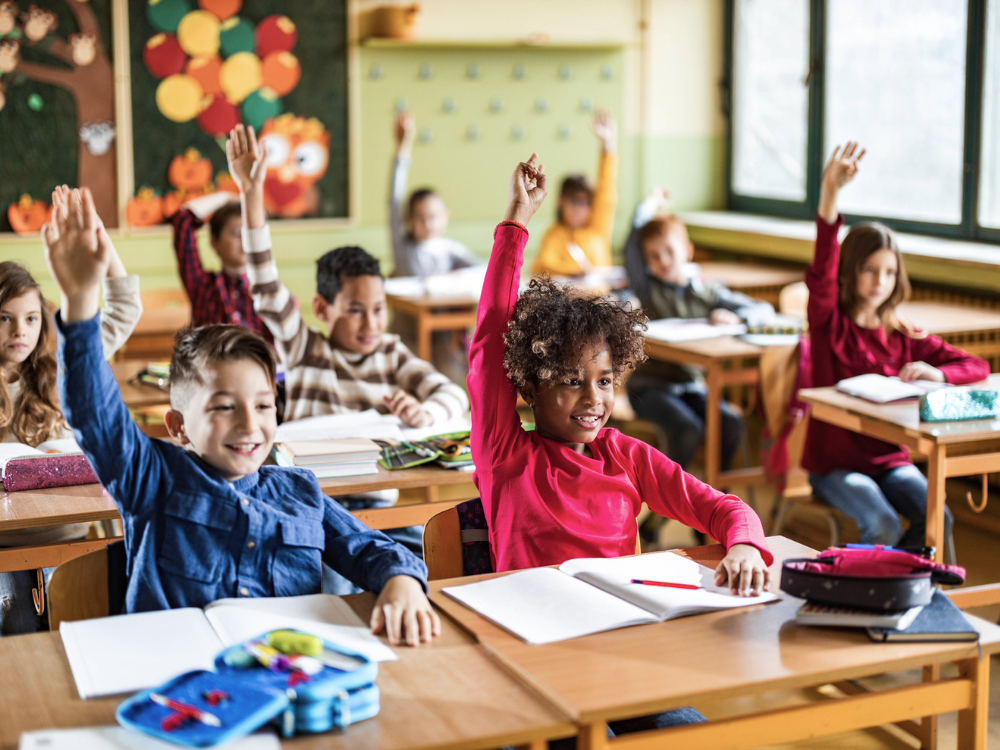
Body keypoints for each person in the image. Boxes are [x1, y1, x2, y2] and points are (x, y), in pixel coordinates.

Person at [43, 187, 439, 646]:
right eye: (224, 407)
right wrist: (80, 302)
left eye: (264, 406)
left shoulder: (299, 491)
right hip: (181, 684)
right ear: (177, 427)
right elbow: (95, 414)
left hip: (288, 678)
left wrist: (402, 581)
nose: (249, 425)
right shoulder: (152, 479)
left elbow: (371, 548)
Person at [231, 124, 468, 591]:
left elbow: (451, 393)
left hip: (382, 511)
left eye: (378, 309)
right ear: (322, 309)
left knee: (416, 578)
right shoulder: (304, 346)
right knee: (331, 594)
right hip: (313, 513)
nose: (371, 324)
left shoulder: (391, 355)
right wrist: (252, 194)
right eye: (355, 311)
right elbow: (263, 281)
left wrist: (425, 413)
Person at [805, 142, 989, 558]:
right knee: (882, 522)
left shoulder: (902, 334)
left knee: (937, 515)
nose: (879, 281)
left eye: (888, 272)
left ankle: (914, 594)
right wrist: (830, 193)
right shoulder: (828, 323)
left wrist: (938, 374)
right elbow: (820, 272)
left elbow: (975, 365)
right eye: (869, 269)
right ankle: (866, 601)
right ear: (849, 271)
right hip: (835, 466)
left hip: (889, 460)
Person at [0, 185, 142, 636]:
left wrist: (98, 237)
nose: (19, 331)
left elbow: (124, 305)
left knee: (93, 620)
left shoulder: (63, 361)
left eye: (30, 318)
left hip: (70, 539)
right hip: (7, 549)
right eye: (3, 318)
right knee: (16, 621)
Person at [623, 187, 773, 472]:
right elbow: (631, 247)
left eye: (669, 251)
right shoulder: (648, 288)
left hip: (691, 385)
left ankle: (712, 502)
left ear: (688, 251)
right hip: (650, 387)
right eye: (653, 256)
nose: (663, 261)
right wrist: (649, 204)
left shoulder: (707, 291)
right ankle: (662, 507)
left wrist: (734, 318)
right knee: (688, 429)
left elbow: (760, 309)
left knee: (731, 424)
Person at [171, 191, 272, 343]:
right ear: (215, 243)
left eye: (250, 233)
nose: (245, 240)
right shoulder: (202, 285)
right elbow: (183, 220)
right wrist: (224, 197)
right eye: (238, 234)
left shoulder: (267, 289)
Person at [389, 110, 480, 277]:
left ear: (446, 216)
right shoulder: (403, 248)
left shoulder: (450, 248)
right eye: (420, 218)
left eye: (434, 217)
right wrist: (404, 145)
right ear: (409, 219)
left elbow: (483, 269)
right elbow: (394, 201)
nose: (428, 224)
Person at [531, 109, 618, 277]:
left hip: (600, 298)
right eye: (574, 201)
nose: (579, 208)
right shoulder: (554, 234)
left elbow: (607, 190)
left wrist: (608, 143)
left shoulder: (597, 228)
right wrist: (577, 270)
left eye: (586, 202)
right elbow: (543, 266)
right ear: (560, 200)